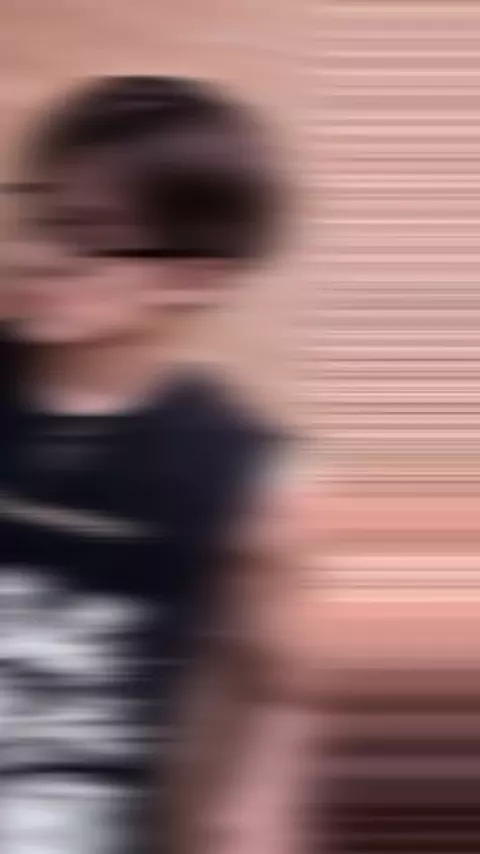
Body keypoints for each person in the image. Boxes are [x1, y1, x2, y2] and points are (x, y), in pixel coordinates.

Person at [0, 76, 320, 854]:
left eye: (86, 233)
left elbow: (283, 679)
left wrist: (257, 797)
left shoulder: (240, 469)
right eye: (36, 211)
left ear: (193, 277)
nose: (36, 252)